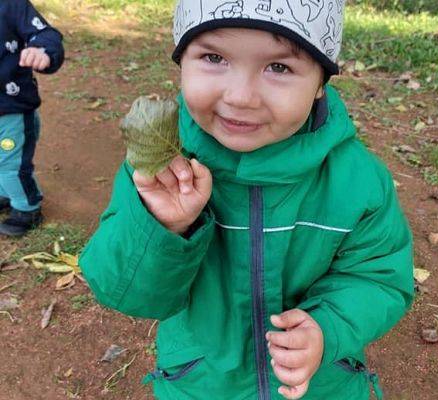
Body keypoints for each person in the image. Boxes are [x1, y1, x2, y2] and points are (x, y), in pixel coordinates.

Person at [80, 1, 413, 399]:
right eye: (214, 57)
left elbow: (379, 277)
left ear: (321, 82)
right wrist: (164, 227)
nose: (241, 96)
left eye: (279, 67)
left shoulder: (358, 181)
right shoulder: (161, 173)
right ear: (181, 60)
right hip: (199, 385)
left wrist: (328, 328)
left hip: (321, 385)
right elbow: (125, 291)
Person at [0, 0, 65, 236]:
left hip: (13, 111)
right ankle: (6, 193)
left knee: (11, 164)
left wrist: (42, 51)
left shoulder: (10, 5)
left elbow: (46, 33)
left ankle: (27, 208)